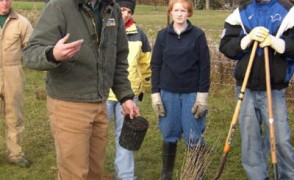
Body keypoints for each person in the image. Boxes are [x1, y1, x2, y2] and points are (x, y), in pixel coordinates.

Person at [22, 0, 139, 179]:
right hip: (69, 104)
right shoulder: (58, 6)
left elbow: (118, 58)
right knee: (74, 174)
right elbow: (30, 54)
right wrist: (53, 54)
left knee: (95, 173)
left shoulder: (112, 8)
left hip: (100, 103)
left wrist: (125, 96)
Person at [219, 0, 294, 179]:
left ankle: (287, 176)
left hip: (273, 88)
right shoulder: (241, 13)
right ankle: (258, 177)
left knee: (280, 139)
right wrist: (247, 38)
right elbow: (226, 45)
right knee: (250, 140)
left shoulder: (288, 11)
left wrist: (276, 42)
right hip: (246, 86)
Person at [150, 0, 210, 179]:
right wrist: (155, 95)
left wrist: (202, 97)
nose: (179, 14)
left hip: (192, 93)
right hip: (168, 93)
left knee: (193, 134)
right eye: (176, 10)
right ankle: (166, 174)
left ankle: (196, 173)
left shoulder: (198, 35)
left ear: (189, 13)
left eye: (183, 10)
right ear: (170, 12)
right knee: (169, 132)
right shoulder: (162, 36)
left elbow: (205, 67)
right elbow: (155, 65)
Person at [106, 0, 151, 179]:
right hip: (105, 94)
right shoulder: (105, 29)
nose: (124, 14)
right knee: (96, 135)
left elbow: (145, 65)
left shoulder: (140, 35)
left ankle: (126, 176)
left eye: (128, 11)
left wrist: (142, 89)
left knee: (125, 136)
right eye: (121, 9)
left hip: (130, 95)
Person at [0, 0, 33, 168]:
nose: (5, 3)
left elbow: (32, 47)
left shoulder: (22, 22)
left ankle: (15, 153)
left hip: (13, 72)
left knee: (14, 115)